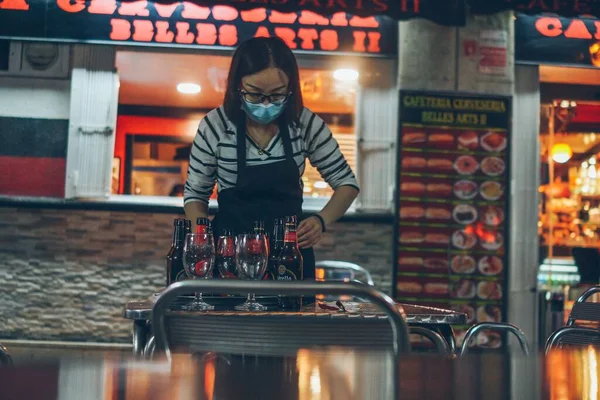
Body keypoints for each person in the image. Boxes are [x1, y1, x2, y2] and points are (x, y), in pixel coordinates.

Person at [184, 37, 359, 281]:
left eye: (277, 95)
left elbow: (347, 184)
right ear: (237, 86)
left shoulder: (304, 123)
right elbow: (195, 195)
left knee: (290, 317)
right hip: (229, 259)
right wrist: (202, 239)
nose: (266, 104)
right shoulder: (215, 127)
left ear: (291, 88)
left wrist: (321, 220)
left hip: (288, 256)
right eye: (254, 94)